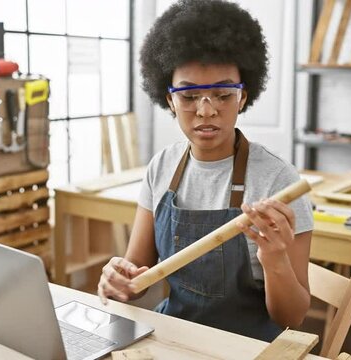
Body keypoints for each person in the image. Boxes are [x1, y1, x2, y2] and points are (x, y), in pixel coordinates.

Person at [97, 0, 313, 341]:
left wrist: (275, 259)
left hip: (246, 345)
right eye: (189, 96)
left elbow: (293, 317)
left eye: (223, 94)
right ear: (169, 100)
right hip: (172, 335)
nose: (206, 110)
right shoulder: (162, 168)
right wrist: (119, 279)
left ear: (243, 97)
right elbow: (138, 278)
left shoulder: (277, 180)